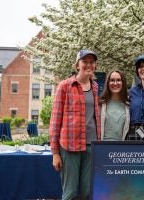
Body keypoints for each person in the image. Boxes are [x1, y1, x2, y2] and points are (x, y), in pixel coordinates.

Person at [49, 49, 101, 200]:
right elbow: (55, 120)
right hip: (69, 146)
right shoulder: (65, 86)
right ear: (77, 65)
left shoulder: (95, 87)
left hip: (91, 146)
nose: (89, 65)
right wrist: (55, 153)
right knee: (70, 193)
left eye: (92, 62)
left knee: (87, 191)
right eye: (85, 62)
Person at [99, 70, 130, 141]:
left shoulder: (128, 105)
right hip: (102, 147)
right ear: (107, 83)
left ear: (123, 83)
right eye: (112, 80)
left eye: (118, 80)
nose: (115, 83)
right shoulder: (100, 104)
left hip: (120, 149)